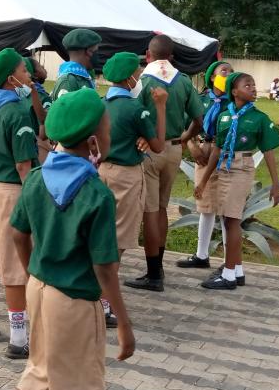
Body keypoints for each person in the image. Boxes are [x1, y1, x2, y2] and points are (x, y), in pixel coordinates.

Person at [0, 88, 134, 390]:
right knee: (80, 383)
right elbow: (105, 267)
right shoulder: (95, 193)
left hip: (39, 290)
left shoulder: (37, 178)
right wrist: (124, 322)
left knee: (39, 369)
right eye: (107, 128)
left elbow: (18, 233)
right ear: (93, 141)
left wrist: (33, 273)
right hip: (75, 300)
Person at [0, 48, 39, 359]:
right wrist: (34, 202)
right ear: (11, 79)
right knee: (13, 265)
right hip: (11, 192)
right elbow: (24, 165)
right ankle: (18, 338)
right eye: (24, 71)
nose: (29, 76)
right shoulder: (16, 112)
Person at [124, 35, 203, 292]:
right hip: (174, 149)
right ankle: (158, 268)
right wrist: (185, 138)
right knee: (161, 208)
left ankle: (154, 274)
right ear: (171, 56)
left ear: (148, 55)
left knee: (150, 212)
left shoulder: (142, 80)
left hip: (149, 150)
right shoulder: (184, 80)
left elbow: (131, 115)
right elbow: (199, 119)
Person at [195, 73, 279, 290]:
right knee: (228, 219)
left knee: (232, 220)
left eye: (254, 84)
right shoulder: (225, 116)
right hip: (223, 167)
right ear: (234, 92)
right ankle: (238, 271)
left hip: (242, 168)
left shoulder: (259, 118)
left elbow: (268, 152)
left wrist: (276, 184)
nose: (253, 88)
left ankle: (229, 275)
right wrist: (203, 181)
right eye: (247, 85)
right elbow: (217, 149)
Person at [99, 52, 167, 320]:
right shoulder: (136, 109)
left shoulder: (101, 104)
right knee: (117, 240)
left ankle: (96, 295)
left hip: (102, 171)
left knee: (101, 234)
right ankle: (104, 303)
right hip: (126, 176)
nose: (139, 79)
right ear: (129, 78)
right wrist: (160, 106)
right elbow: (158, 145)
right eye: (138, 74)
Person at [178, 60, 233, 271]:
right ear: (212, 77)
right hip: (203, 152)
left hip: (225, 154)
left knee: (227, 208)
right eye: (224, 71)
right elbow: (184, 125)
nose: (228, 74)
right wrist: (191, 145)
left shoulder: (233, 103)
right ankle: (202, 255)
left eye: (231, 72)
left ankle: (229, 260)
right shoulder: (201, 100)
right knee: (206, 204)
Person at [51, 28, 100, 102]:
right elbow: (65, 109)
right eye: (96, 50)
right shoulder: (68, 81)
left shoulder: (83, 76)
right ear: (89, 51)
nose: (98, 55)